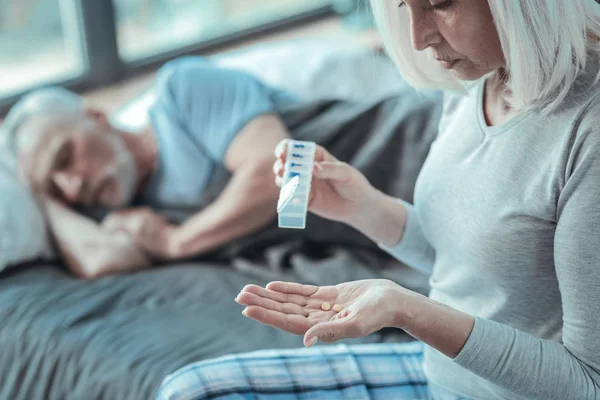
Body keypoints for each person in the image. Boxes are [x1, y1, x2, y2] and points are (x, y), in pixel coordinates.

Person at [157, 1, 600, 399]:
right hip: (440, 372)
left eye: (441, 4)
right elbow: (472, 266)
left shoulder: (588, 132)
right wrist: (360, 206)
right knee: (192, 390)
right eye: (405, 5)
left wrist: (407, 309)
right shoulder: (481, 77)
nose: (418, 37)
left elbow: (588, 383)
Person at [0, 56, 298, 279]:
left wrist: (176, 242)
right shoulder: (116, 207)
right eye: (56, 187)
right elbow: (107, 261)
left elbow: (283, 176)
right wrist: (42, 197)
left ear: (96, 117)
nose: (72, 187)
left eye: (64, 157)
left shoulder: (181, 91)